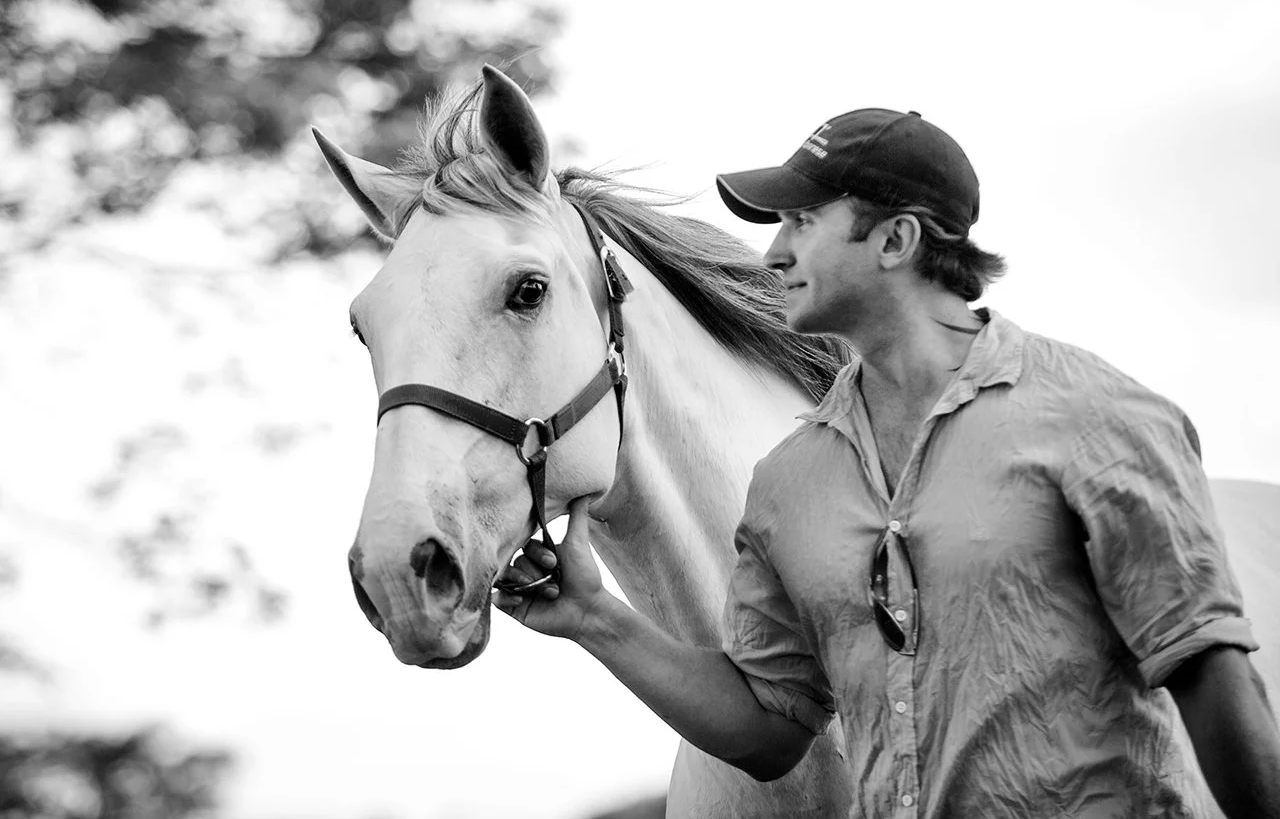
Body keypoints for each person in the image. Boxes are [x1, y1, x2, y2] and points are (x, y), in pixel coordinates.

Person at [492, 107, 1280, 817]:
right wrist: (598, 620)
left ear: (897, 240)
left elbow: (1211, 677)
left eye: (802, 221)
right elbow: (770, 729)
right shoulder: (789, 485)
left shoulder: (1097, 418)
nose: (772, 251)